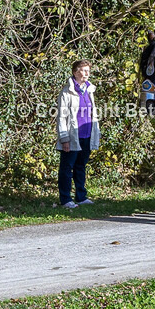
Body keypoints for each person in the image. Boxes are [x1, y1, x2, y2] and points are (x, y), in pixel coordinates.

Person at [56, 60, 101, 209]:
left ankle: (81, 197)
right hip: (72, 136)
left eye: (88, 70)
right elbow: (62, 117)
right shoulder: (66, 92)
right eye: (83, 70)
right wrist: (64, 139)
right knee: (67, 167)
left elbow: (92, 114)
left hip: (87, 135)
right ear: (75, 72)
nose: (87, 73)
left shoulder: (89, 89)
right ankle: (65, 199)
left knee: (81, 166)